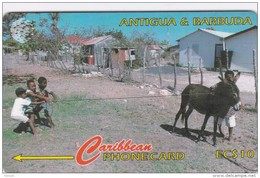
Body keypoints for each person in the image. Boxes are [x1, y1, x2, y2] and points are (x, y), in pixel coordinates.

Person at [216, 70, 240, 141]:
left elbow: (237, 95)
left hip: (230, 108)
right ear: (225, 77)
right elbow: (214, 88)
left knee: (231, 123)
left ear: (233, 77)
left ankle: (230, 136)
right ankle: (220, 131)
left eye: (230, 77)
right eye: (227, 77)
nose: (229, 78)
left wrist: (238, 101)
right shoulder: (221, 84)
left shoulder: (234, 85)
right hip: (221, 106)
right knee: (218, 121)